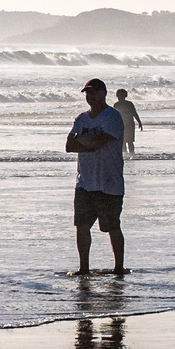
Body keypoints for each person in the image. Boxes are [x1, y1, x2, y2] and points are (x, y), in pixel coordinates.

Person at [67, 78, 127, 274]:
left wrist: (84, 142)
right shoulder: (81, 119)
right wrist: (88, 142)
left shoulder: (112, 117)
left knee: (111, 227)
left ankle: (119, 267)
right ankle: (83, 268)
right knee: (81, 226)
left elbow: (101, 142)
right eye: (87, 94)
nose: (90, 97)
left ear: (103, 93)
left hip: (109, 182)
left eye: (93, 93)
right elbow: (69, 146)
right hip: (84, 181)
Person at [113, 88, 143, 155]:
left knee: (130, 141)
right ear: (117, 96)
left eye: (122, 96)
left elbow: (134, 113)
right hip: (120, 125)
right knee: (122, 141)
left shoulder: (129, 104)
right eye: (119, 96)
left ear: (125, 96)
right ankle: (125, 155)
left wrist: (139, 122)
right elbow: (114, 116)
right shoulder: (116, 105)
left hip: (130, 125)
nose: (120, 97)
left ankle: (132, 154)